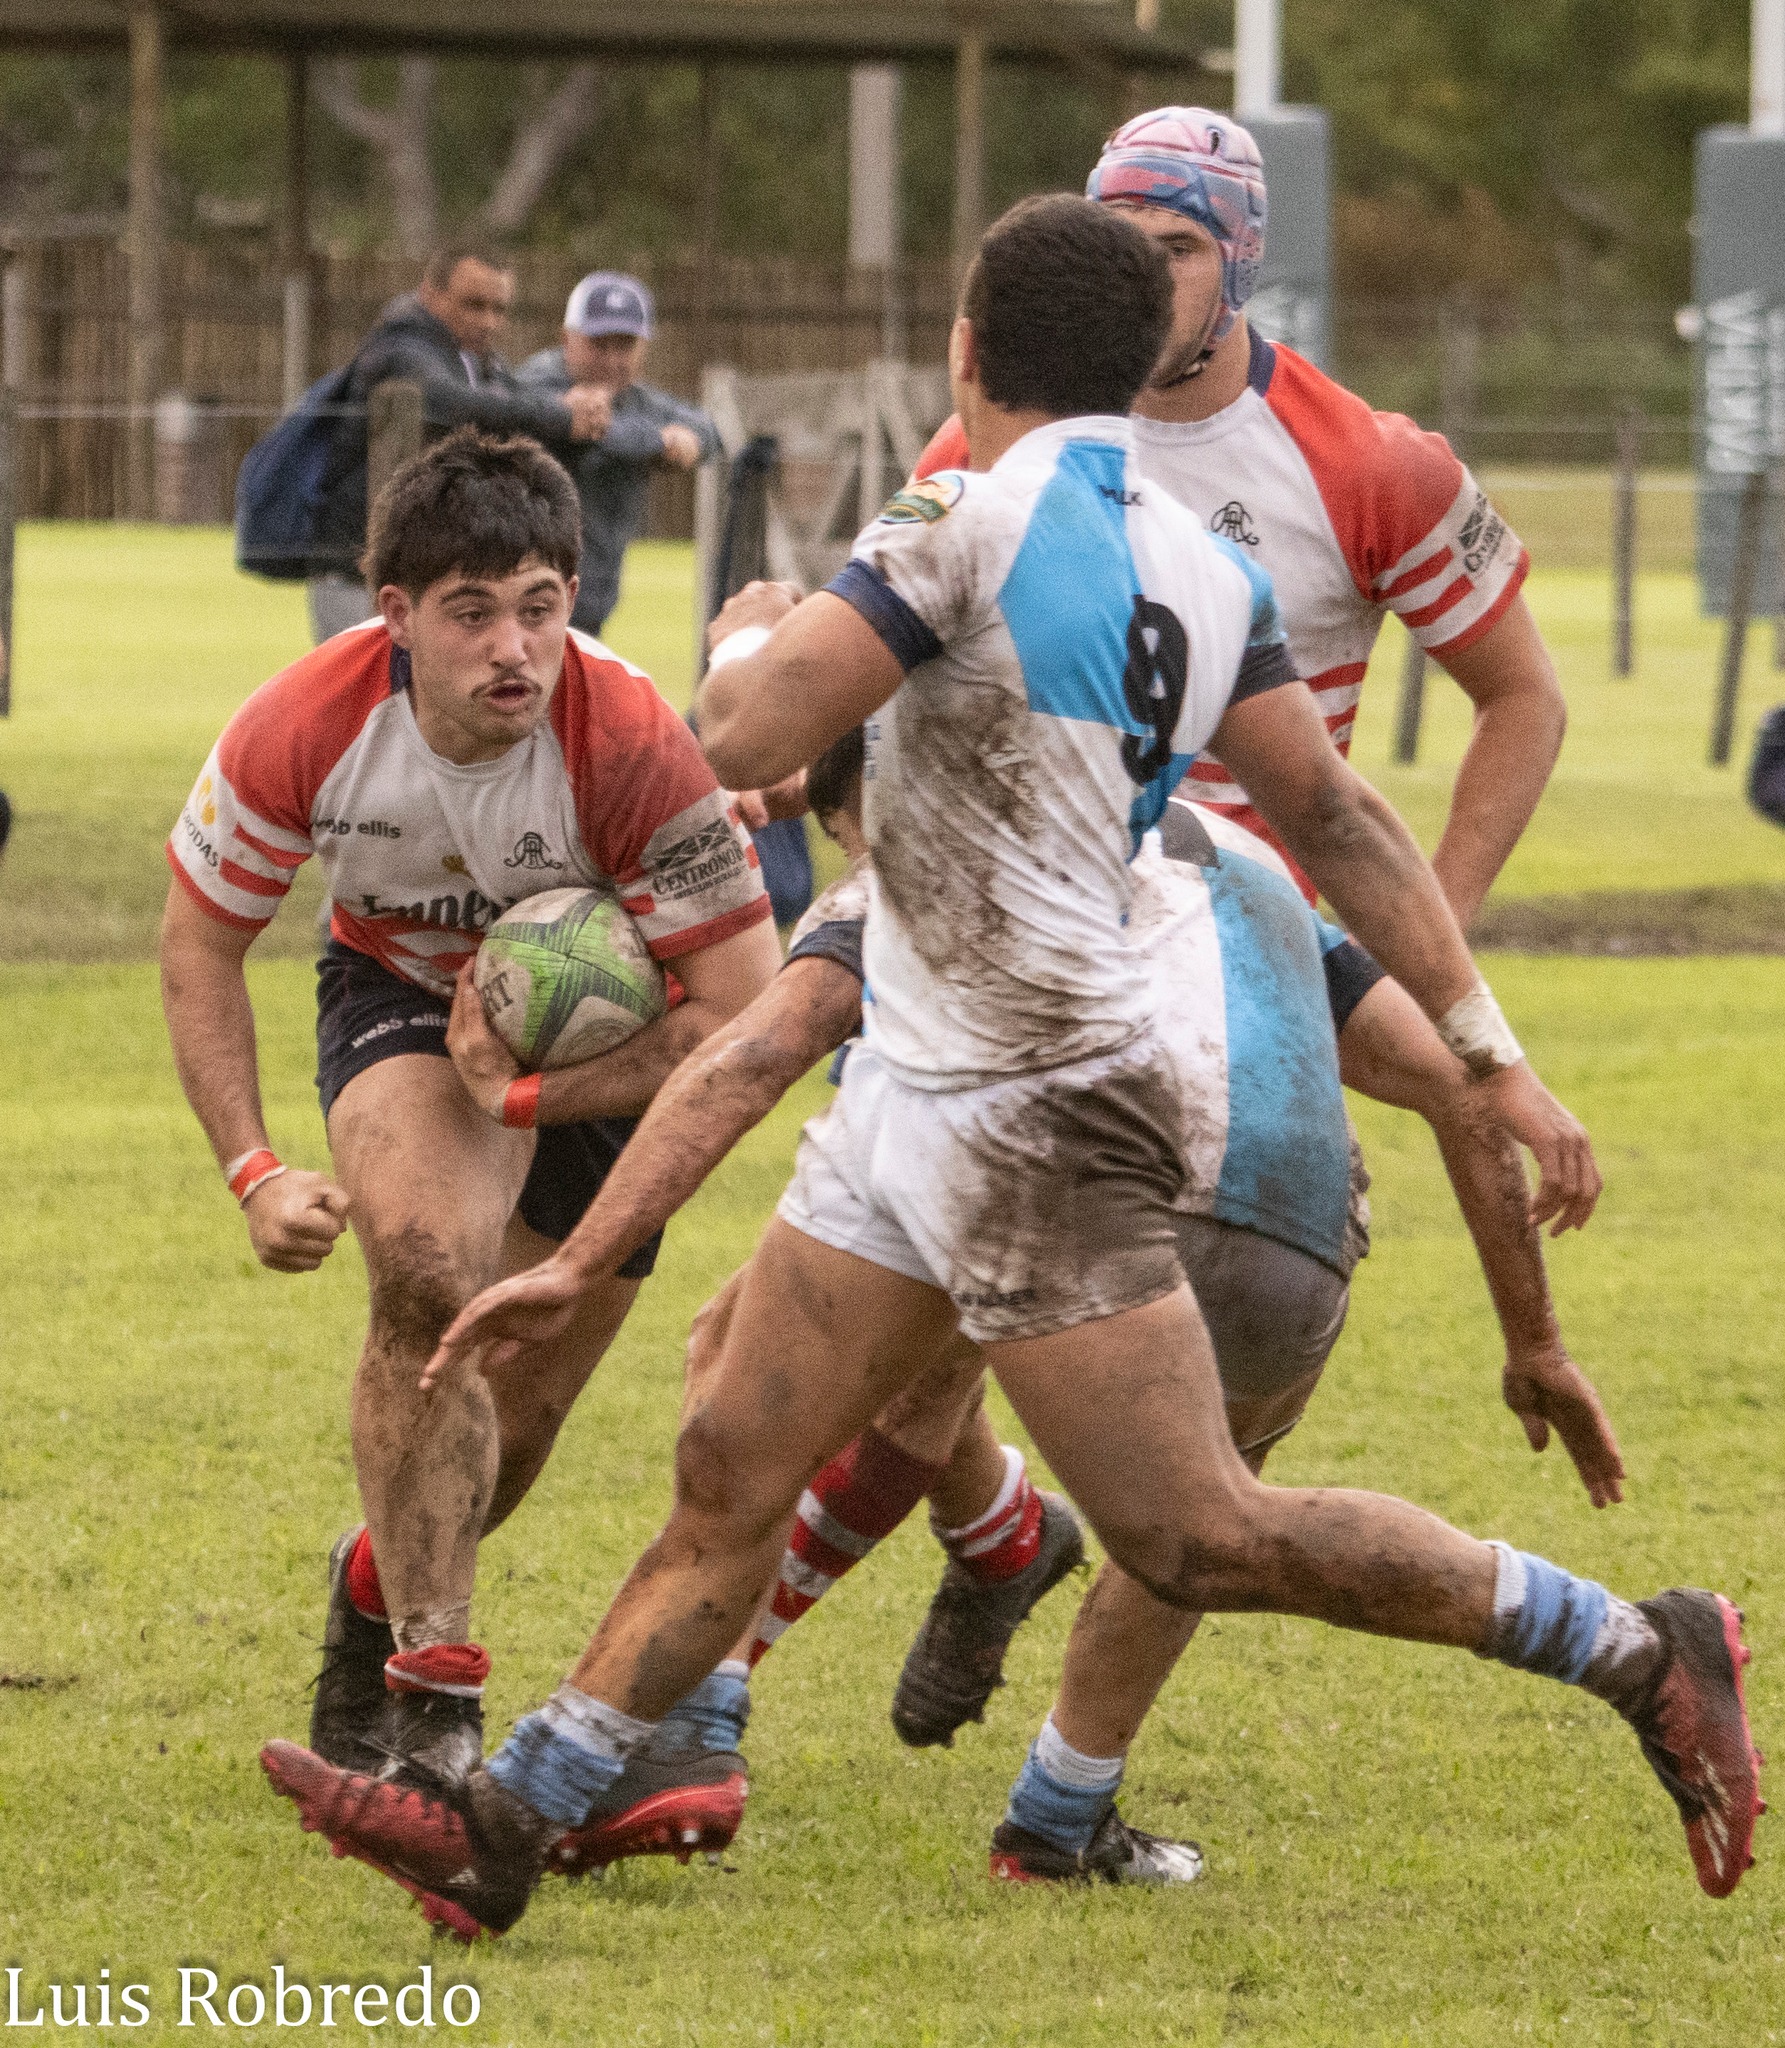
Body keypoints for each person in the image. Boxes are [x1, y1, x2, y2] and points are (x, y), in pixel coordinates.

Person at [260, 196, 1757, 1937]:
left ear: (969, 352)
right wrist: (1493, 1051)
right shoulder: (1211, 566)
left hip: (1044, 1103)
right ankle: (502, 1819)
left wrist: (749, 628)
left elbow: (747, 737)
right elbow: (1340, 812)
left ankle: (1640, 1644)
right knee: (735, 1462)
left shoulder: (962, 514)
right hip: (928, 1075)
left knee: (1198, 1529)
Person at [395, 740, 1626, 1888]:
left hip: (1087, 1198)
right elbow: (1463, 1095)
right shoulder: (1238, 858)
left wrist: (558, 1184)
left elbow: (747, 1058)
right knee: (1201, 1516)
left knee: (771, 1356)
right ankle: (1054, 1794)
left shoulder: (935, 852)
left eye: (848, 833)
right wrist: (1536, 1344)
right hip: (1297, 1242)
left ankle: (711, 1709)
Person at [162, 428, 780, 1794]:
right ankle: (435, 1697)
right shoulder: (305, 724)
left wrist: (545, 1090)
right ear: (397, 618)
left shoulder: (627, 740)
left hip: (619, 1055)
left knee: (517, 1418)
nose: (514, 646)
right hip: (401, 999)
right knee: (429, 1282)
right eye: (472, 613)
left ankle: (373, 1582)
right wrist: (253, 1167)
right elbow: (198, 944)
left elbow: (744, 1011)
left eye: (541, 607)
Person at [915, 109, 1567, 926]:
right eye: (1117, 245)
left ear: (1240, 263)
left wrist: (1434, 935)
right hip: (1029, 937)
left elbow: (1522, 699)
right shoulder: (988, 443)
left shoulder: (1372, 466)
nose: (1141, 282)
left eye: (1178, 249)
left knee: (1462, 1061)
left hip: (1248, 958)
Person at [305, 245, 613, 644]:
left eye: (498, 309)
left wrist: (581, 418)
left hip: (427, 570)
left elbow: (519, 416)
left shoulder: (482, 363)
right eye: (473, 305)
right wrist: (563, 415)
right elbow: (451, 403)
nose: (488, 321)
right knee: (361, 698)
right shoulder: (399, 347)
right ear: (430, 293)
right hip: (353, 568)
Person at [519, 273, 720, 639]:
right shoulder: (533, 385)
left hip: (592, 596)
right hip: (523, 597)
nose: (612, 359)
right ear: (567, 339)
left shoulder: (637, 401)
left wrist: (693, 439)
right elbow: (601, 430)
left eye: (625, 345)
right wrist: (660, 442)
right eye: (599, 343)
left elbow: (707, 429)